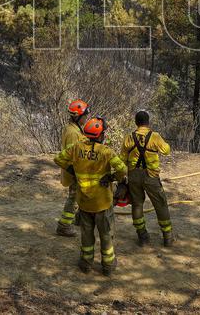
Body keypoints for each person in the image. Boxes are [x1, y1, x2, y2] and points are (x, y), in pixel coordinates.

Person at [54, 116, 127, 275]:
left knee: (86, 236)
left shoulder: (76, 148)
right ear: (101, 135)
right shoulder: (106, 152)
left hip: (84, 203)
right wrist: (112, 177)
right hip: (102, 203)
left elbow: (58, 159)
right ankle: (108, 266)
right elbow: (122, 169)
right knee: (106, 234)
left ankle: (86, 263)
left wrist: (74, 171)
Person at [121, 110, 174, 247]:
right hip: (151, 176)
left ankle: (142, 236)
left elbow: (122, 158)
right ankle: (167, 236)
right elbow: (166, 150)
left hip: (133, 176)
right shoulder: (155, 136)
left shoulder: (129, 137)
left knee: (137, 204)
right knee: (160, 204)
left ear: (136, 123)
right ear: (148, 122)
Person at [56, 99, 90, 237]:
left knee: (81, 196)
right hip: (75, 171)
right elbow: (72, 156)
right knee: (74, 198)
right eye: (85, 116)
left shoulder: (75, 129)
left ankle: (79, 219)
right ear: (78, 117)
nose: (86, 118)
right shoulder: (72, 133)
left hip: (78, 170)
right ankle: (64, 226)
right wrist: (78, 173)